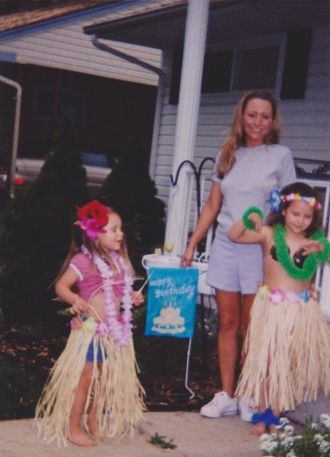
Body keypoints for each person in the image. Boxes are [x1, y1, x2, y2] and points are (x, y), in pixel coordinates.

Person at [181, 90, 296, 421]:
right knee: (227, 323)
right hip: (225, 247)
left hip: (259, 251)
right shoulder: (226, 154)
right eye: (252, 115)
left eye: (264, 116)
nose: (257, 122)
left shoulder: (280, 155)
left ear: (273, 122)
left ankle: (249, 393)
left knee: (252, 325)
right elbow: (213, 205)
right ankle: (227, 394)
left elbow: (290, 205)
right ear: (241, 117)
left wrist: (283, 249)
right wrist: (192, 244)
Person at [35, 200, 145, 447]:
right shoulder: (84, 262)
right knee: (85, 380)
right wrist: (75, 300)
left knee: (106, 380)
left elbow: (119, 293)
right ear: (96, 234)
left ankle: (94, 420)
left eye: (121, 228)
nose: (121, 234)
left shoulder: (118, 262)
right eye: (114, 229)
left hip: (114, 333)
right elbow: (61, 286)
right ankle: (74, 427)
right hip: (90, 331)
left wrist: (132, 297)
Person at [228, 181, 330, 435]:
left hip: (300, 312)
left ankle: (275, 415)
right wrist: (247, 217)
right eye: (296, 214)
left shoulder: (315, 240)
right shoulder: (270, 233)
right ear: (283, 210)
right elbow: (235, 235)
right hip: (272, 310)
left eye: (307, 216)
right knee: (268, 364)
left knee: (286, 366)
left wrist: (322, 248)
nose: (301, 221)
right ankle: (262, 416)